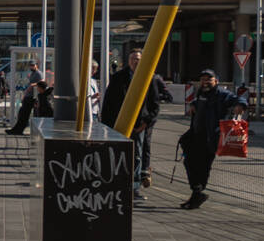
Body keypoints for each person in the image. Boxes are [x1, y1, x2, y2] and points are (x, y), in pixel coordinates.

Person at [102, 47, 172, 193]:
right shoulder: (118, 77)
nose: (135, 62)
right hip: (119, 123)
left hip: (139, 124)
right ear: (128, 61)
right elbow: (109, 102)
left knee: (137, 154)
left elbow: (154, 104)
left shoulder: (149, 77)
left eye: (138, 59)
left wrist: (146, 122)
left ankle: (134, 188)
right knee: (119, 153)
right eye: (133, 59)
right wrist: (106, 124)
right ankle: (118, 183)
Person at [179, 68, 245, 210]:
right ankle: (197, 192)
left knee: (203, 166)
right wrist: (193, 104)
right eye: (203, 79)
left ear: (216, 81)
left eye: (209, 79)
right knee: (189, 162)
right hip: (196, 135)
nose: (205, 82)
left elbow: (238, 99)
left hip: (211, 138)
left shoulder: (222, 94)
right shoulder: (201, 93)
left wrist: (240, 105)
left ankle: (197, 194)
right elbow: (200, 104)